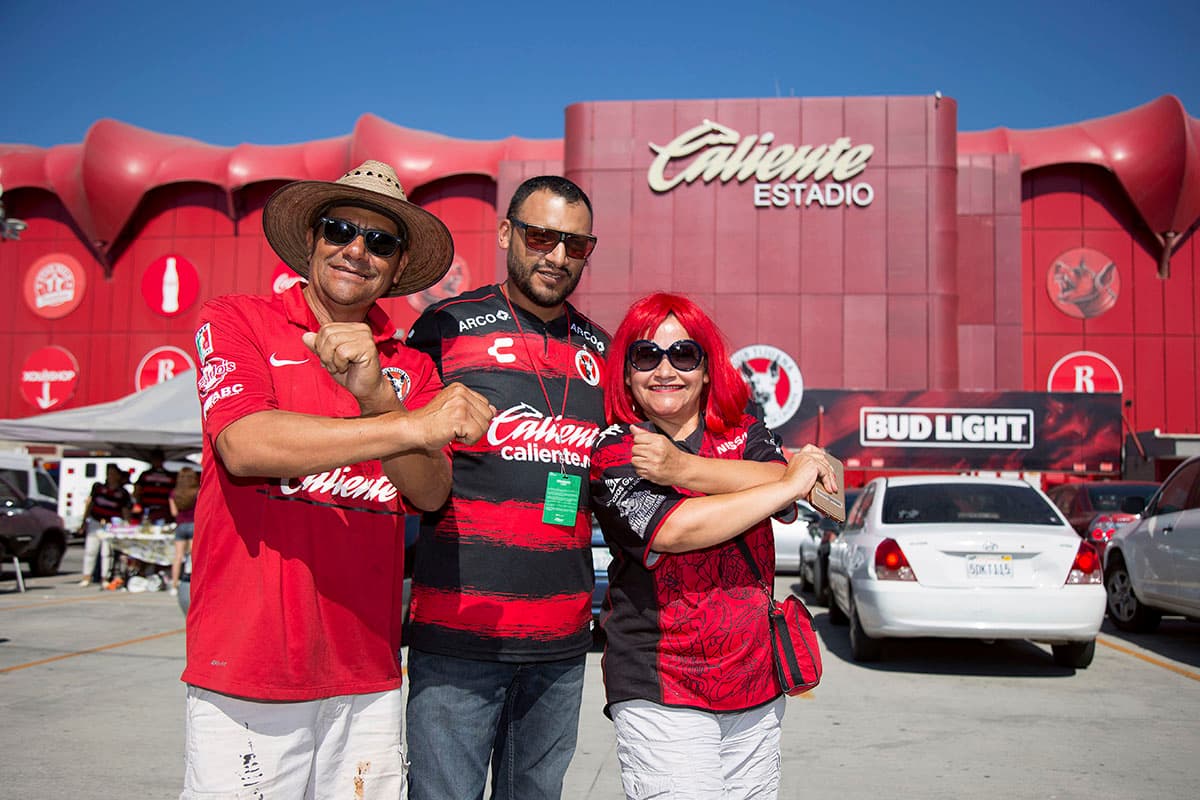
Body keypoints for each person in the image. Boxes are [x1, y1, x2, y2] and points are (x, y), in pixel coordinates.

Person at [181, 160, 495, 799]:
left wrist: (380, 395)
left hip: (369, 678)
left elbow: (429, 493)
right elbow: (244, 447)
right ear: (312, 240)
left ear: (399, 264)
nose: (357, 250)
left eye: (380, 241)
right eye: (340, 230)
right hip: (248, 669)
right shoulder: (240, 318)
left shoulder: (409, 366)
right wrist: (413, 427)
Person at [405, 175, 610, 800]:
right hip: (458, 636)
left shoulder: (603, 350)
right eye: (541, 236)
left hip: (561, 640)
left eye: (575, 244)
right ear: (505, 234)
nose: (556, 256)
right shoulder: (444, 327)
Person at [589, 292, 836, 800]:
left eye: (683, 355)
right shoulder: (617, 448)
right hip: (662, 688)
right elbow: (676, 529)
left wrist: (684, 470)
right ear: (627, 374)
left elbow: (791, 479)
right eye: (645, 356)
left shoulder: (745, 432)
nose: (664, 370)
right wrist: (784, 484)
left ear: (706, 371)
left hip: (756, 684)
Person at [78, 464, 132, 586]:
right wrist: (84, 521)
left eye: (114, 474)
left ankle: (104, 578)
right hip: (95, 521)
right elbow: (90, 504)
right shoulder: (98, 487)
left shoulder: (122, 492)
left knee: (106, 552)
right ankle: (86, 577)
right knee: (90, 550)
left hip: (110, 524)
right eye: (109, 473)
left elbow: (125, 510)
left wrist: (127, 525)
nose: (111, 476)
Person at [168, 467, 198, 597]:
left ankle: (174, 585)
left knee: (178, 557)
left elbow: (174, 512)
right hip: (194, 524)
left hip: (180, 525)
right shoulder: (197, 492)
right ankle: (192, 583)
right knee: (193, 556)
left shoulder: (174, 493)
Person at [134, 448, 176, 524]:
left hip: (164, 511)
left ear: (163, 460)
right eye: (154, 459)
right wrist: (138, 503)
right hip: (147, 510)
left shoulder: (170, 476)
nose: (156, 461)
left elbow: (174, 494)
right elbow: (137, 490)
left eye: (158, 459)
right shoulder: (145, 475)